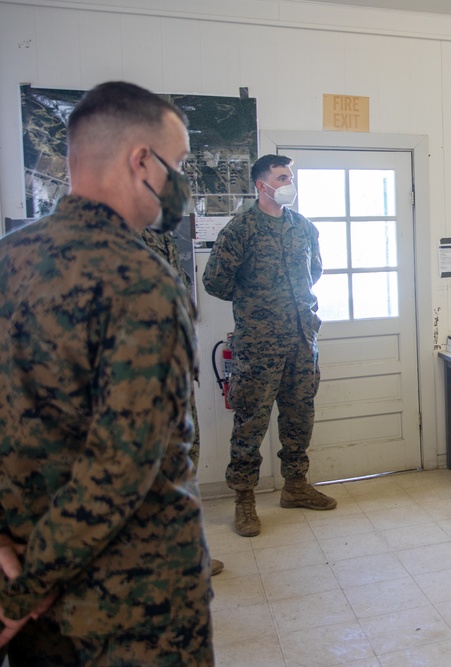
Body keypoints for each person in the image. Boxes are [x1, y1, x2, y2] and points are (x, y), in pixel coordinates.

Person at [0, 81, 213, 665]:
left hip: (38, 618)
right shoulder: (141, 283)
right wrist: (21, 592)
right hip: (133, 613)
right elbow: (119, 470)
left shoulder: (7, 259)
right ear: (141, 160)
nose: (182, 183)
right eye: (180, 164)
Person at [203, 154, 336, 538]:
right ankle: (244, 500)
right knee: (250, 422)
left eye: (289, 176)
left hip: (300, 340)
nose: (288, 182)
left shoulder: (304, 228)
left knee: (299, 417)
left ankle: (295, 487)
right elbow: (215, 281)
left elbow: (314, 273)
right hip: (258, 345)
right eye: (281, 177)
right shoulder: (240, 229)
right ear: (262, 185)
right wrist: (256, 302)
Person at [140, 229, 225, 577]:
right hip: (136, 380)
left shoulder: (161, 233)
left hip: (174, 371)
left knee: (183, 461)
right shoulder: (103, 235)